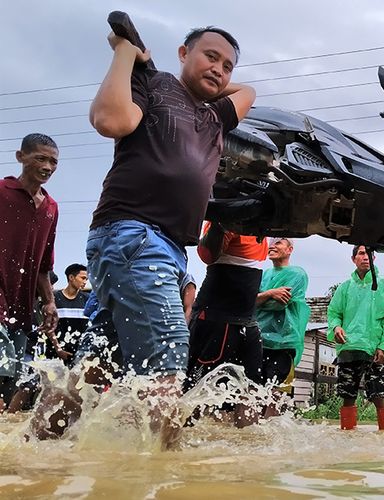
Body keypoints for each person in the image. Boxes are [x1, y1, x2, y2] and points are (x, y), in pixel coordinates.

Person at [31, 26, 256, 444]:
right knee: (169, 350)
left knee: (95, 365)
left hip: (164, 248)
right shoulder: (154, 83)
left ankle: (32, 451)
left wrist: (212, 82)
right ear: (182, 52)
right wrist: (126, 53)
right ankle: (163, 472)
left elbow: (249, 92)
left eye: (227, 66)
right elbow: (110, 120)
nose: (220, 70)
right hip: (134, 235)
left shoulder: (214, 117)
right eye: (209, 56)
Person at [0, 134, 64, 411]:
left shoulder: (51, 207)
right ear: (20, 157)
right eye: (40, 158)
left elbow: (45, 266)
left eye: (53, 161)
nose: (48, 166)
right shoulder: (1, 192)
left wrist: (49, 301)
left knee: (14, 371)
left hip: (23, 303)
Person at [185, 221, 268, 427]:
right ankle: (181, 441)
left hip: (248, 321)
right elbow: (207, 255)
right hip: (216, 317)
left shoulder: (263, 220)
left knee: (252, 390)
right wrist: (222, 222)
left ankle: (243, 446)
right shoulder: (223, 216)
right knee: (198, 387)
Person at [327, 246, 384, 431]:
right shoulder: (344, 288)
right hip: (348, 348)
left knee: (378, 395)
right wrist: (336, 327)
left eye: (369, 254)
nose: (365, 257)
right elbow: (334, 312)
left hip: (374, 349)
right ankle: (347, 436)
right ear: (353, 259)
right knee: (347, 395)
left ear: (374, 257)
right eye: (361, 253)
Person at [256, 238, 310, 416]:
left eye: (278, 243)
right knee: (255, 393)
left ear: (289, 249)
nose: (272, 246)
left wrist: (261, 298)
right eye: (270, 243)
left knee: (276, 395)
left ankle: (272, 436)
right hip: (260, 340)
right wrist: (271, 293)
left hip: (284, 343)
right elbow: (250, 302)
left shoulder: (297, 274)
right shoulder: (264, 275)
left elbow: (278, 305)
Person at [47, 263, 90, 365]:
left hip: (79, 356)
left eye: (86, 279)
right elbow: (48, 326)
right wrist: (58, 349)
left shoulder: (87, 299)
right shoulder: (53, 298)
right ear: (71, 277)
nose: (85, 282)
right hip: (55, 355)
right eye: (82, 278)